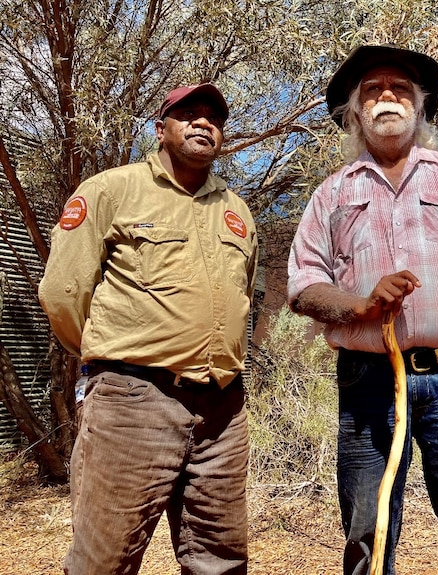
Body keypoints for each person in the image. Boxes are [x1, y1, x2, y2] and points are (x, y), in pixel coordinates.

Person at [288, 45, 438, 575]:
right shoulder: (331, 194)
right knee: (368, 531)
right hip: (368, 381)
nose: (386, 96)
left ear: (419, 106)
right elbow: (303, 284)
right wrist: (361, 306)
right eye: (372, 90)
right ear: (354, 111)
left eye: (399, 89)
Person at [39, 82, 258, 575]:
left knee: (220, 561)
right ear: (161, 130)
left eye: (214, 118)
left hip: (223, 410)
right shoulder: (111, 190)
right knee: (104, 562)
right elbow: (63, 294)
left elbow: (241, 296)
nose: (204, 123)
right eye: (189, 114)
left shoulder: (237, 212)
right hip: (131, 405)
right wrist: (110, 360)